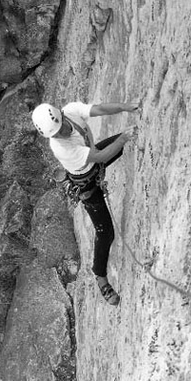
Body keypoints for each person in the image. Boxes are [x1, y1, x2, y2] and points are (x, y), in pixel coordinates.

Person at [31, 101, 139, 306]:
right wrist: (124, 138)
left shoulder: (70, 111)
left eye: (61, 126)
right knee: (106, 233)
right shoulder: (60, 147)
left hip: (94, 163)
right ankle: (100, 277)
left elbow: (98, 109)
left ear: (61, 115)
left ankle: (128, 135)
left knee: (129, 138)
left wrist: (125, 106)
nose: (61, 133)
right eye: (55, 133)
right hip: (87, 182)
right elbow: (99, 156)